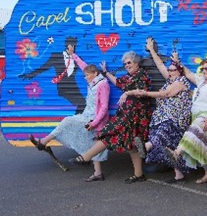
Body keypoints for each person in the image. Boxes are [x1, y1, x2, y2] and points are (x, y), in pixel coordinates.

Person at [69, 51, 153, 184]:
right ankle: (139, 174)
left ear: (136, 62)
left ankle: (86, 157)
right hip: (127, 113)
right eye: (125, 64)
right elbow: (118, 82)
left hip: (136, 115)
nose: (126, 65)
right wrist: (105, 72)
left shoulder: (142, 75)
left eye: (129, 62)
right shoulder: (128, 77)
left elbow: (143, 92)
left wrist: (128, 92)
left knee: (109, 133)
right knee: (131, 144)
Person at [29, 47, 110, 182]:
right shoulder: (94, 81)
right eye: (84, 76)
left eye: (87, 75)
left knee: (67, 121)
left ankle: (43, 141)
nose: (85, 78)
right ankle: (98, 173)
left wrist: (94, 123)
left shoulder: (103, 85)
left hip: (93, 119)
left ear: (95, 73)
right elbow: (84, 66)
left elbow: (104, 108)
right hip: (88, 116)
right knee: (93, 144)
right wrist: (73, 55)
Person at [132, 37, 192, 183]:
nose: (170, 72)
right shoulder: (170, 79)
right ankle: (179, 175)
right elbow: (160, 64)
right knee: (169, 146)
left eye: (173, 70)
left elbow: (166, 94)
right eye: (169, 70)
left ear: (180, 72)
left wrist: (145, 93)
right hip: (163, 116)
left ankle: (146, 146)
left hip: (176, 118)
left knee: (163, 132)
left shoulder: (181, 82)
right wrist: (152, 49)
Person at [167, 56, 207, 184]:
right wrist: (178, 62)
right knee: (204, 145)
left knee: (191, 133)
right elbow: (187, 73)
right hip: (197, 115)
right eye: (202, 68)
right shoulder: (201, 81)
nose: (204, 71)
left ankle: (177, 152)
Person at [19, 37, 86, 113]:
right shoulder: (56, 56)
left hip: (74, 87)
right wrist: (30, 75)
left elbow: (87, 69)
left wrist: (101, 72)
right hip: (63, 88)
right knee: (82, 104)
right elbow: (44, 67)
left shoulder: (77, 58)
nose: (74, 47)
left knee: (83, 104)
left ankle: (76, 121)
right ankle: (75, 121)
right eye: (72, 45)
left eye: (75, 45)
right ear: (68, 45)